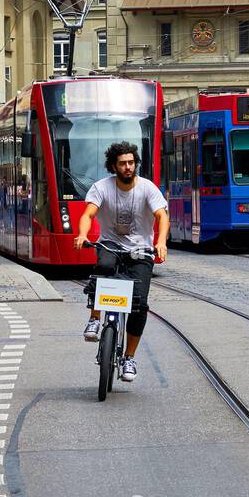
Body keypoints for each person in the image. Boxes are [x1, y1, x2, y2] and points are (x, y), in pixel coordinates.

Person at [75, 141, 169, 384]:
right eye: (122, 163)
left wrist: (161, 242)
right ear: (113, 166)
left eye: (131, 162)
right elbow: (88, 214)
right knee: (103, 269)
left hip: (141, 250)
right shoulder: (101, 187)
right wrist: (83, 235)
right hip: (111, 245)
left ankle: (129, 357)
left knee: (139, 303)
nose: (128, 167)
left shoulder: (147, 188)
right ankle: (95, 319)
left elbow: (162, 216)